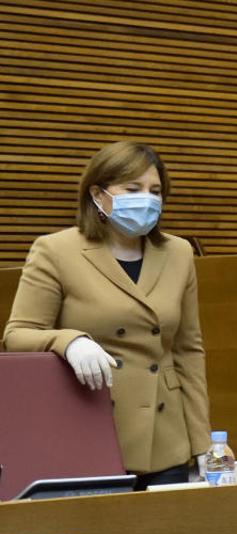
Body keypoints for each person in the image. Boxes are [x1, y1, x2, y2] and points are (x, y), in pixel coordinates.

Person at [4, 141, 211, 490]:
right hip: (91, 430)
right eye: (133, 189)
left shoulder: (178, 252)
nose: (147, 198)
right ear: (98, 194)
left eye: (155, 190)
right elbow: (17, 335)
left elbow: (188, 351)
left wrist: (203, 443)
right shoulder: (56, 250)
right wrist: (68, 341)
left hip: (168, 439)